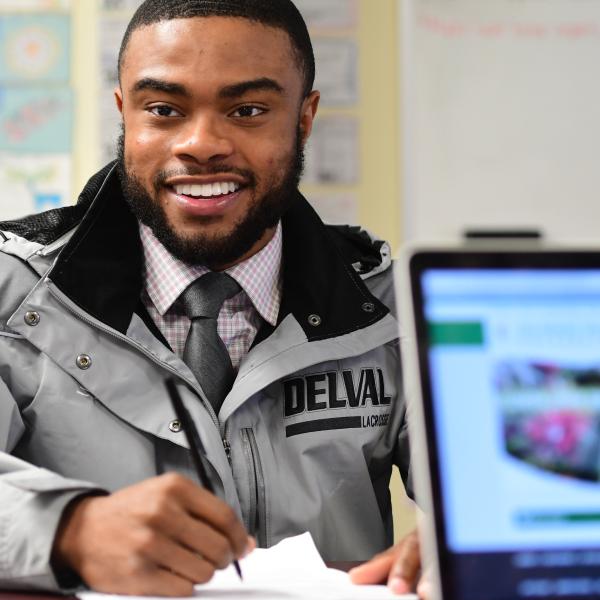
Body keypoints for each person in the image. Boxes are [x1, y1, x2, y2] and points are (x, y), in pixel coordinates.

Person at [0, 0, 423, 595]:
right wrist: (69, 529)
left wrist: (464, 544)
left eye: (248, 109)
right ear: (125, 114)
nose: (201, 144)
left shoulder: (392, 307)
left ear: (304, 118)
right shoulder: (13, 294)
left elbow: (523, 490)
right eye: (164, 109)